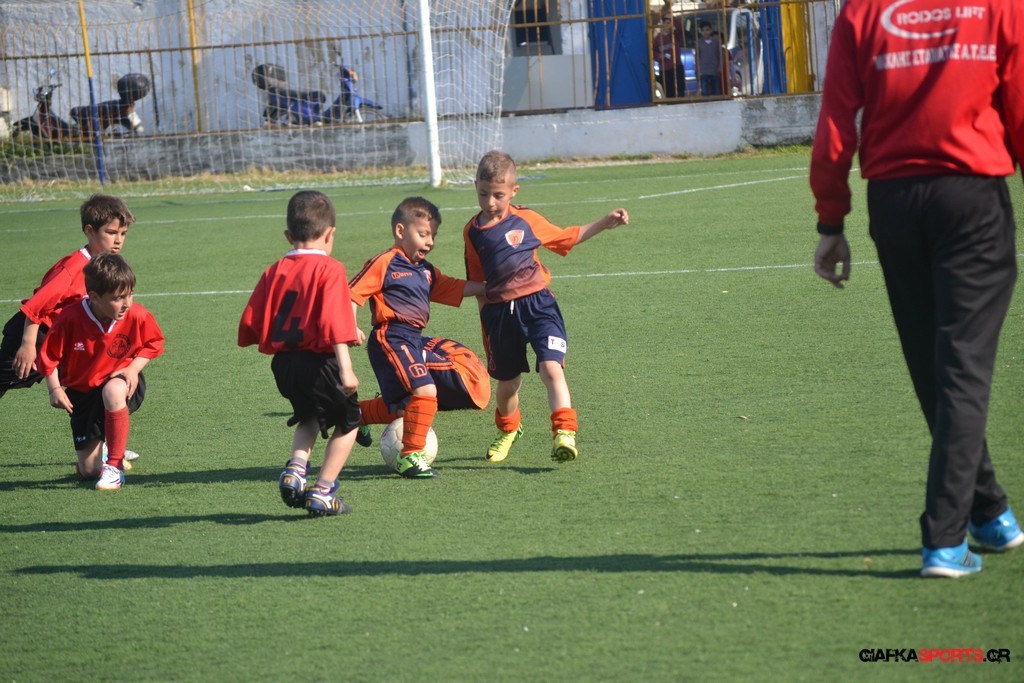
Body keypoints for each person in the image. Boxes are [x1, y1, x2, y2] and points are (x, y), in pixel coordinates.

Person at [810, 0, 1024, 577]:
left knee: (935, 363)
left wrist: (831, 221)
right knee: (960, 365)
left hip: (895, 203)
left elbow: (835, 122)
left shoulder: (862, 12)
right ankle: (945, 538)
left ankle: (988, 510)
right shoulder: (1002, 6)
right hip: (971, 195)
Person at [464, 150, 629, 464]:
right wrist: (486, 319)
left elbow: (565, 238)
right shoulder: (472, 232)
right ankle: (509, 429)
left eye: (498, 195)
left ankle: (564, 433)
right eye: (483, 194)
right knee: (508, 385)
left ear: (514, 191)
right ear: (475, 186)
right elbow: (478, 282)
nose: (490, 202)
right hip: (500, 315)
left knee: (551, 368)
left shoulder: (526, 219)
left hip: (539, 306)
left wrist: (603, 223)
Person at [238, 190, 362, 516]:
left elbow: (252, 320)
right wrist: (346, 369)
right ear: (330, 234)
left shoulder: (274, 270)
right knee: (349, 421)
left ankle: (295, 470)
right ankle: (323, 491)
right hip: (321, 363)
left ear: (288, 236)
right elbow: (333, 321)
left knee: (309, 415)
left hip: (285, 365)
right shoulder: (331, 269)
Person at [348, 196, 487, 478]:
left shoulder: (425, 271)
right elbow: (351, 294)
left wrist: (489, 287)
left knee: (405, 407)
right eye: (423, 234)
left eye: (433, 235)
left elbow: (454, 287)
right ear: (401, 231)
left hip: (412, 339)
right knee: (426, 391)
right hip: (391, 337)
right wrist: (350, 326)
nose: (430, 242)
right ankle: (410, 455)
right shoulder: (385, 262)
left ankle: (355, 414)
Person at [36, 253, 164, 490]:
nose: (126, 303)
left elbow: (153, 343)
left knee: (112, 391)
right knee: (89, 471)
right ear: (94, 297)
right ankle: (103, 453)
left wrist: (133, 368)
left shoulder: (137, 315)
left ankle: (115, 467)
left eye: (130, 294)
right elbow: (49, 357)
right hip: (82, 394)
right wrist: (54, 389)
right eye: (117, 298)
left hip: (120, 381)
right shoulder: (70, 318)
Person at [1, 194, 134, 397]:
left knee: (94, 381)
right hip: (34, 335)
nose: (118, 240)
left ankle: (95, 417)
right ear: (89, 231)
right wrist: (28, 345)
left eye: (123, 234)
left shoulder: (105, 267)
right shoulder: (72, 268)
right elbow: (35, 307)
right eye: (111, 232)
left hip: (62, 340)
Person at [652, 11, 684, 99]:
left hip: (677, 67)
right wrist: (660, 56)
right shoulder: (657, 39)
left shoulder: (675, 35)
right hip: (665, 69)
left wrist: (672, 17)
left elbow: (680, 28)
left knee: (680, 91)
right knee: (668, 92)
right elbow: (652, 52)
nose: (668, 25)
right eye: (667, 23)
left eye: (670, 23)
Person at [696, 20, 724, 96]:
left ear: (711, 30)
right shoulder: (699, 43)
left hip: (714, 70)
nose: (705, 32)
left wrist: (720, 66)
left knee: (715, 90)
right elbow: (697, 57)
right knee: (704, 91)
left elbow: (720, 55)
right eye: (703, 30)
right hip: (703, 71)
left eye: (707, 30)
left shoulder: (716, 42)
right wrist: (698, 69)